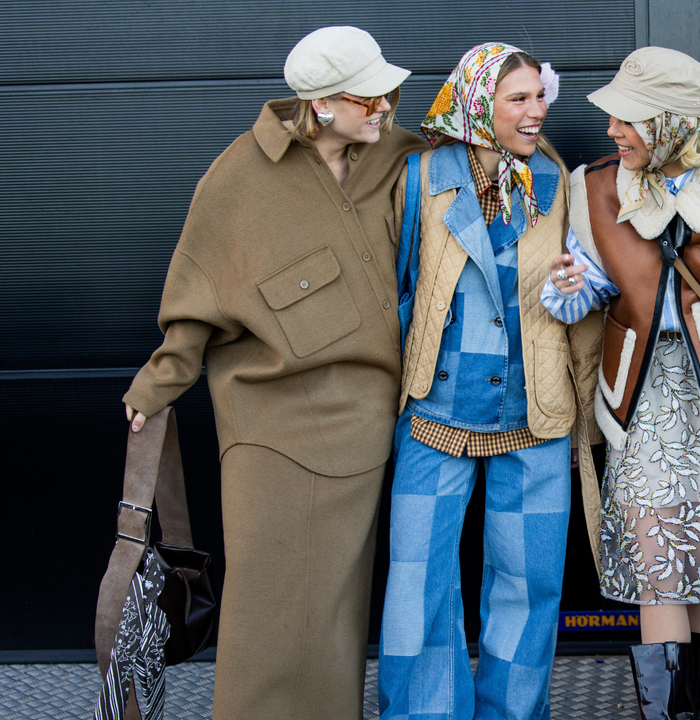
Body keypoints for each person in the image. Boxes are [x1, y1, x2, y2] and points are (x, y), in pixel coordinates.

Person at [120, 26, 425, 718]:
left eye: (390, 95)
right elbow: (198, 293)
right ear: (320, 105)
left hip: (368, 422)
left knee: (332, 611)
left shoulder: (403, 159)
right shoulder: (239, 177)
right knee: (270, 604)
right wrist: (161, 381)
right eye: (370, 97)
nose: (385, 108)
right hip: (272, 425)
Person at [541, 46, 700, 720]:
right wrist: (567, 288)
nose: (612, 132)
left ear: (673, 122)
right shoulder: (594, 186)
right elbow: (584, 298)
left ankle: (691, 709)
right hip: (640, 401)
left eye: (628, 120)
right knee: (656, 566)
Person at [376, 43, 587, 720]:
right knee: (418, 589)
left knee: (528, 590)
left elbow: (578, 300)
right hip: (435, 408)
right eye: (517, 98)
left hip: (534, 411)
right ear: (477, 104)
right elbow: (394, 291)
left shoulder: (553, 180)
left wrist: (574, 291)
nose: (536, 112)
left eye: (539, 96)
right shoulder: (420, 178)